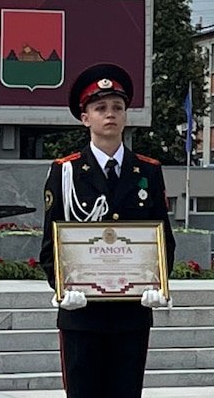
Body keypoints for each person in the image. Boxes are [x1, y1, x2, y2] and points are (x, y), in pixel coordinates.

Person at [38, 63, 176, 398]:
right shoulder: (66, 172)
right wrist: (62, 287)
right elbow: (50, 244)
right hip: (82, 314)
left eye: (117, 107)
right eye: (100, 108)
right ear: (85, 118)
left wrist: (158, 282)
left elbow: (162, 238)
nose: (110, 114)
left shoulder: (148, 171)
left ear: (126, 116)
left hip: (131, 313)